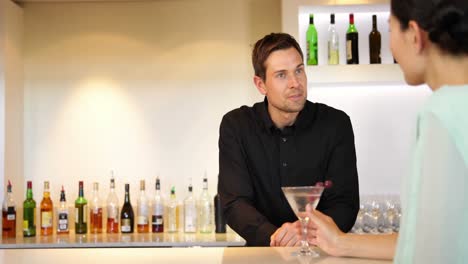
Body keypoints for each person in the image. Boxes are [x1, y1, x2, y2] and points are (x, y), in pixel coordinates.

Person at [305, 0, 468, 262]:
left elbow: (431, 252)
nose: (391, 45)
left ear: (415, 35)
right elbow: (427, 238)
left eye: (390, 31)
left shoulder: (440, 112)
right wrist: (340, 242)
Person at [217, 33, 360, 246]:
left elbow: (345, 203)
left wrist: (303, 233)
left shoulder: (336, 124)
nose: (295, 83)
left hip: (322, 254)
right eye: (282, 75)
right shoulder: (236, 126)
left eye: (299, 71)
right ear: (261, 84)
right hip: (261, 255)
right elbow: (234, 203)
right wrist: (275, 236)